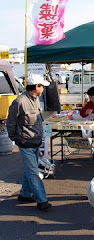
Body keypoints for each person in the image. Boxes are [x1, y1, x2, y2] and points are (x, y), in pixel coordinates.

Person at [6, 74, 52, 211]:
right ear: (36, 87)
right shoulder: (19, 102)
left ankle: (25, 194)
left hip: (36, 142)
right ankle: (42, 200)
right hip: (25, 143)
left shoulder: (36, 99)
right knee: (33, 173)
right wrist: (15, 138)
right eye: (41, 86)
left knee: (30, 170)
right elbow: (11, 123)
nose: (43, 88)